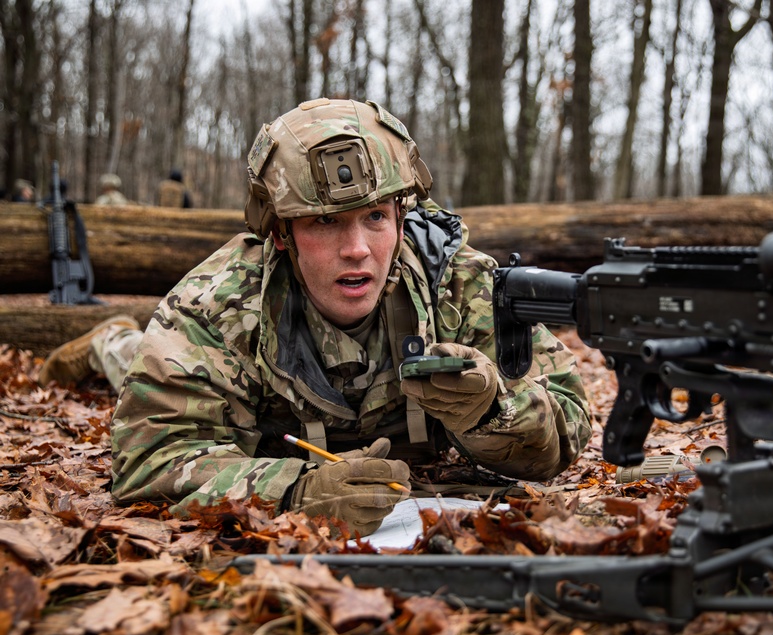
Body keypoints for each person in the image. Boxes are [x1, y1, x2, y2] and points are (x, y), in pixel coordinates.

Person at [39, 98, 592, 537]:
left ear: (402, 218)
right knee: (131, 359)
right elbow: (150, 456)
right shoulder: (218, 303)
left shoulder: (459, 285)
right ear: (282, 233)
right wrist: (294, 492)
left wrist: (494, 410)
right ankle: (109, 340)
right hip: (211, 382)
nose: (357, 249)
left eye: (376, 217)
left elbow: (568, 419)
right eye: (326, 222)